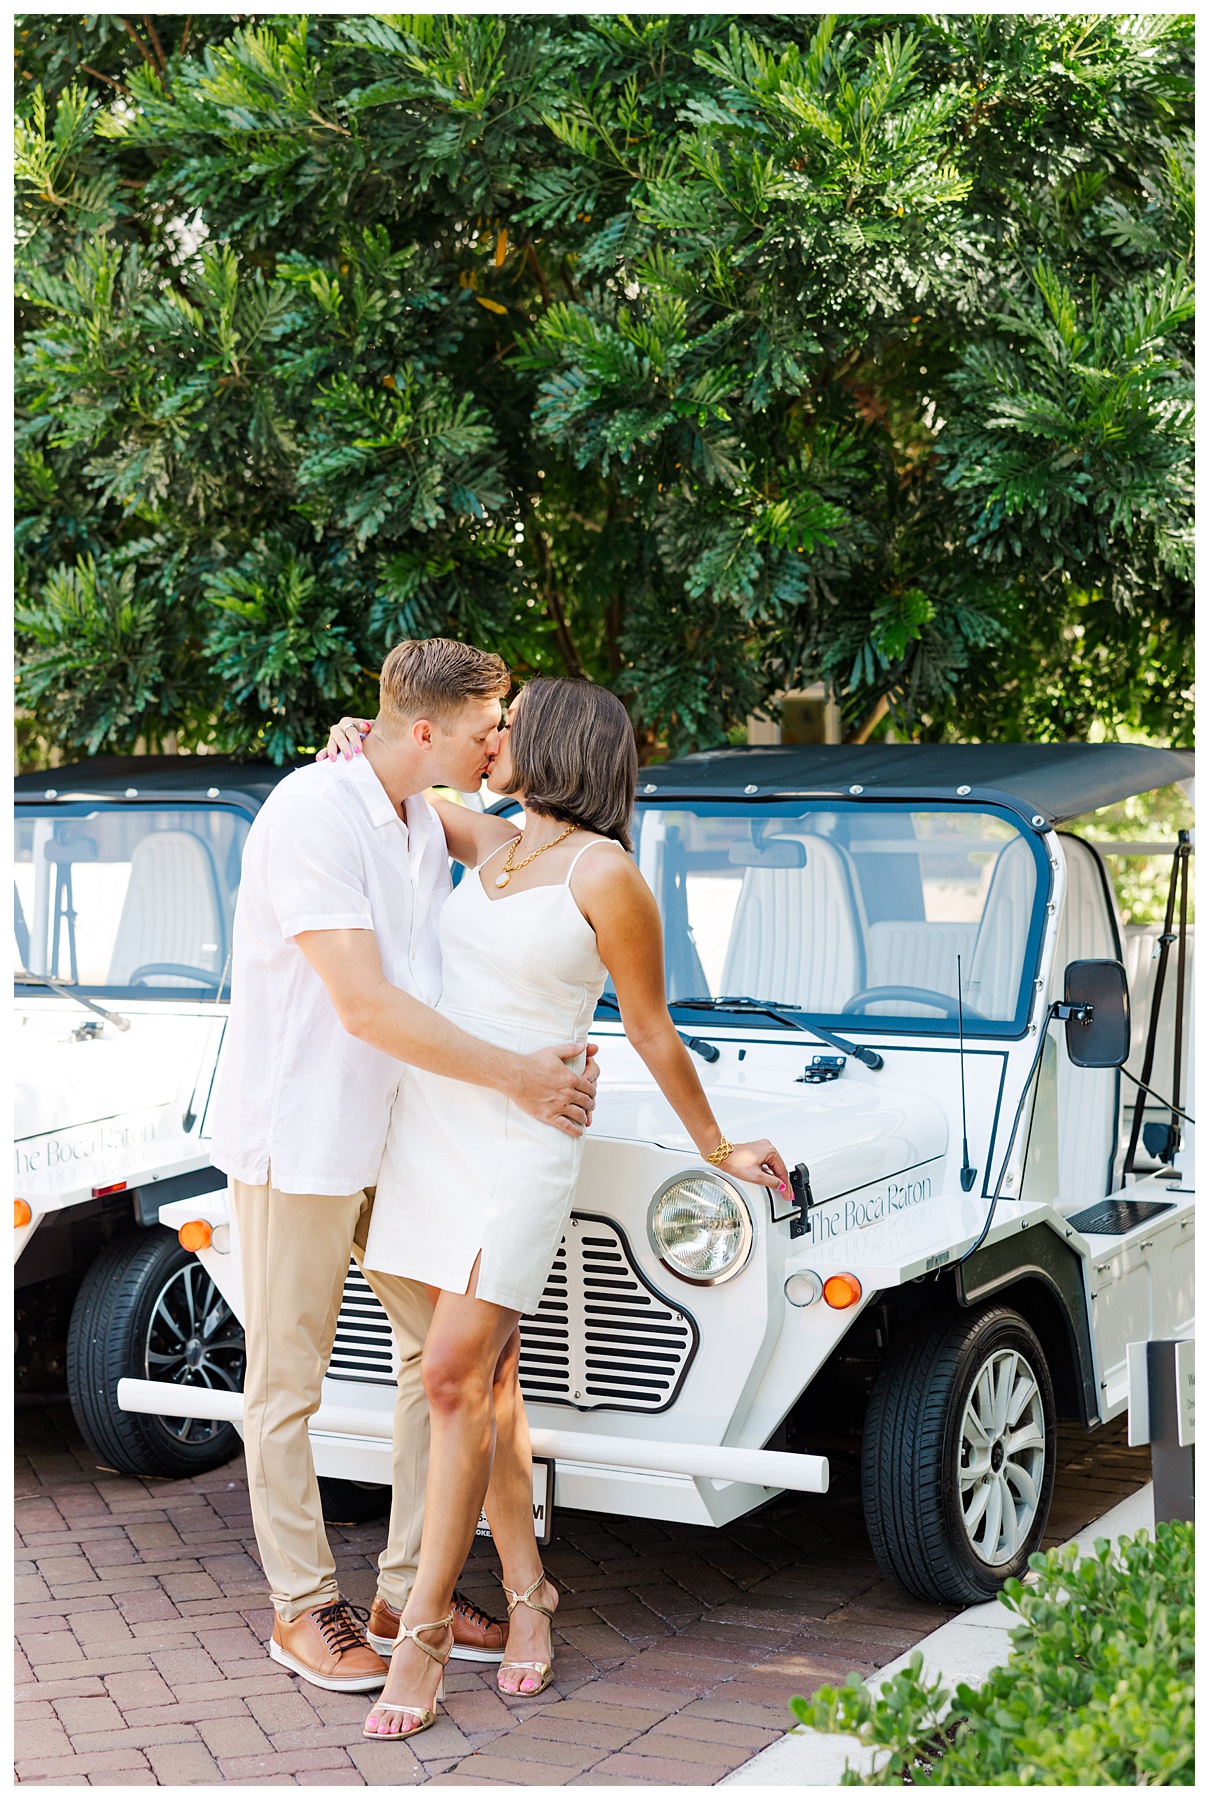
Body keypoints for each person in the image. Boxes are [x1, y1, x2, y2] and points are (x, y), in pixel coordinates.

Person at [321, 678, 789, 1741]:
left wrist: (717, 1147)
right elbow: (394, 781)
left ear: (561, 743)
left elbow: (656, 1030)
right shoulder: (493, 843)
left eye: (513, 722)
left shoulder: (606, 872)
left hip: (520, 1149)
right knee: (491, 1386)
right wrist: (365, 736)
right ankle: (530, 1598)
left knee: (449, 1377)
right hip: (433, 1132)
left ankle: (426, 1628)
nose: (495, 734)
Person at [207, 639, 601, 1693]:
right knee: (284, 1384)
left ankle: (397, 1592)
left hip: (401, 1135)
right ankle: (300, 1609)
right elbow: (365, 1004)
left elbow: (531, 859)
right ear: (427, 731)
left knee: (444, 1370)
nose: (500, 745)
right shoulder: (309, 813)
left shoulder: (421, 808)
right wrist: (519, 1077)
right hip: (302, 1140)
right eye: (487, 730)